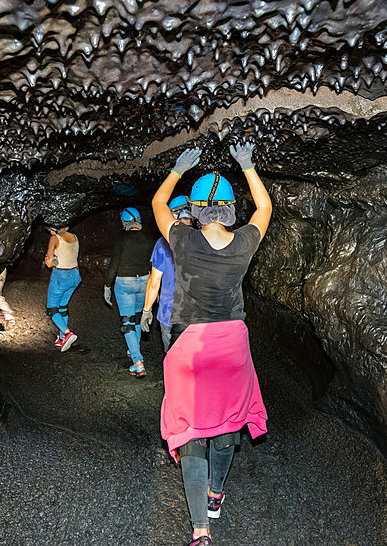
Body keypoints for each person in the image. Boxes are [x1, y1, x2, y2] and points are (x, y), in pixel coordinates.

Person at [152, 141, 271, 546]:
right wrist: (247, 165)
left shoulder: (183, 241)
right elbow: (265, 209)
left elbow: (159, 203)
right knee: (225, 427)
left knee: (192, 433)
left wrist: (176, 171)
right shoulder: (244, 243)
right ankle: (216, 492)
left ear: (199, 212)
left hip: (191, 347)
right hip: (232, 346)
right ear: (230, 210)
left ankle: (201, 531)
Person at [104, 207, 154, 377]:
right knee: (138, 318)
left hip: (125, 282)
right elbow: (152, 263)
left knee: (127, 322)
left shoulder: (121, 238)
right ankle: (134, 350)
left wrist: (107, 286)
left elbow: (113, 264)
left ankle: (138, 362)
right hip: (144, 281)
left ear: (124, 222)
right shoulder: (149, 238)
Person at [140, 196, 192, 351]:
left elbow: (154, 282)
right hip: (197, 314)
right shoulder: (202, 239)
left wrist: (147, 310)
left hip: (169, 312)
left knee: (172, 357)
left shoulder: (163, 243)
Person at [43, 226, 80, 351]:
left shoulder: (55, 238)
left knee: (52, 308)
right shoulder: (74, 237)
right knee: (63, 306)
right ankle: (61, 339)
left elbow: (49, 263)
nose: (49, 232)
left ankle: (66, 333)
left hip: (61, 277)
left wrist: (51, 260)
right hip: (75, 276)